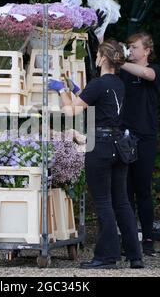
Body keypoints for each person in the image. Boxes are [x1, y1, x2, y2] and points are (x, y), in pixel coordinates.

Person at [48, 40, 144, 269]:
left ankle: (107, 256)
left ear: (102, 58)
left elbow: (71, 111)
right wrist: (76, 90)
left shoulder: (98, 83)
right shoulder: (118, 84)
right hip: (119, 145)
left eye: (98, 55)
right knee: (121, 201)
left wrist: (61, 89)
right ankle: (135, 255)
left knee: (103, 202)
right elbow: (97, 103)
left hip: (99, 146)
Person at [119, 32, 160, 256]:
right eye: (129, 47)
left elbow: (147, 74)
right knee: (124, 191)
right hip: (124, 137)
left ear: (146, 51)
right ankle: (128, 241)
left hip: (146, 137)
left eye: (135, 47)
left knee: (143, 190)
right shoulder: (122, 72)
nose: (131, 50)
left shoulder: (155, 69)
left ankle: (147, 240)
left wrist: (122, 62)